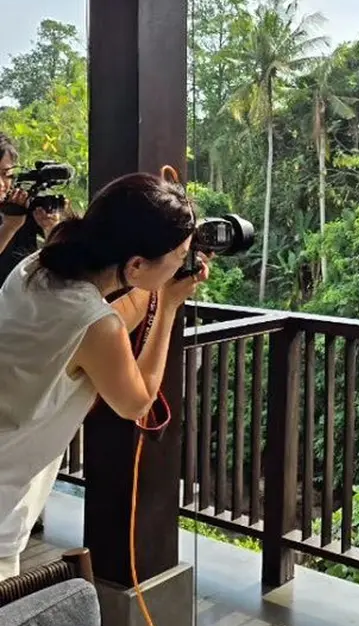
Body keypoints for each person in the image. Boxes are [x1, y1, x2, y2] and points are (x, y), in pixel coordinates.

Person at [0, 171, 209, 580]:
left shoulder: (36, 268)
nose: (179, 266)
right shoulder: (93, 324)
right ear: (135, 264)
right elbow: (137, 403)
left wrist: (156, 285)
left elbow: (103, 321)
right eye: (177, 257)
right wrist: (166, 308)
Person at [0, 132, 62, 284]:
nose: (1, 184)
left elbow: (64, 262)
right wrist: (9, 228)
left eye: (6, 175)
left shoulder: (21, 206)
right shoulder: (14, 218)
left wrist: (52, 229)